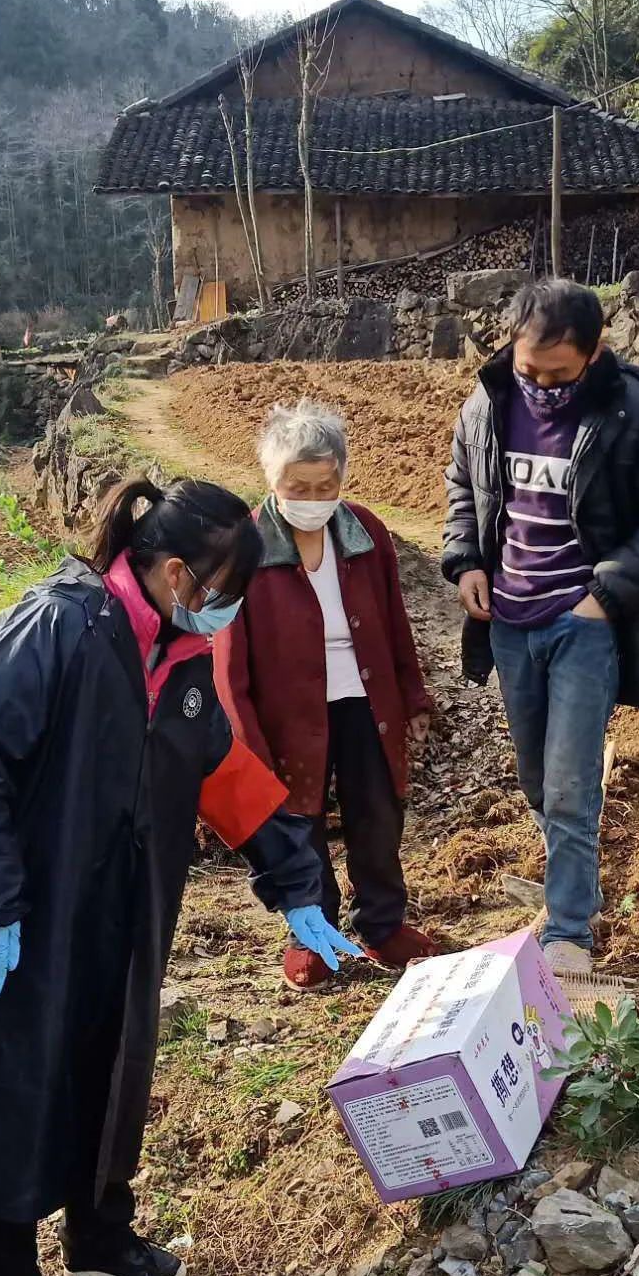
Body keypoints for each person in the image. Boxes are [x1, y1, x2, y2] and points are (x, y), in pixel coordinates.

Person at [0, 478, 360, 1276]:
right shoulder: (54, 631)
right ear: (179, 573)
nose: (229, 614)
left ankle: (99, 1238)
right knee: (18, 1084)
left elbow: (223, 774)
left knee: (110, 1062)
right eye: (225, 593)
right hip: (21, 915)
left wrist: (297, 883)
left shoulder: (180, 659)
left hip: (123, 907)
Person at [444, 280, 639, 976]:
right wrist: (467, 561)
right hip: (509, 619)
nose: (540, 386)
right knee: (536, 781)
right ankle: (579, 886)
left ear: (594, 355)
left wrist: (604, 594)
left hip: (582, 623)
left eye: (558, 375)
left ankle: (570, 930)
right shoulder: (491, 398)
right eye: (529, 369)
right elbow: (461, 485)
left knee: (569, 786)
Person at [214, 398, 438, 992]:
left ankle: (383, 923)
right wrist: (246, 740)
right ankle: (312, 933)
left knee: (378, 814)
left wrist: (413, 698)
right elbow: (228, 659)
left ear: (341, 478)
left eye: (325, 484)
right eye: (298, 485)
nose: (312, 498)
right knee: (297, 821)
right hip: (288, 715)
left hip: (368, 702)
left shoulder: (366, 531)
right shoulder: (247, 547)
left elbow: (394, 621)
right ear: (272, 482)